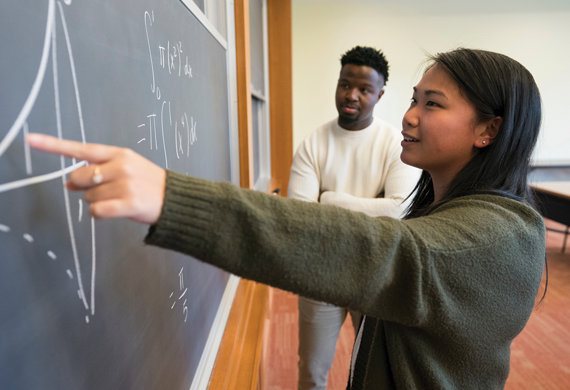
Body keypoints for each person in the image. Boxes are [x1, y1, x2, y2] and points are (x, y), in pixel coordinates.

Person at [27, 48, 546, 389]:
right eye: (414, 100)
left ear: (487, 130)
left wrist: (172, 197)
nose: (410, 115)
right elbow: (325, 218)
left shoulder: (492, 237)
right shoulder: (438, 202)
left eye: (432, 105)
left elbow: (386, 248)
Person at [289, 46, 420, 390]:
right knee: (312, 373)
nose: (352, 95)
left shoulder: (395, 144)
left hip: (376, 275)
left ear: (380, 94)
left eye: (364, 89)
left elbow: (398, 209)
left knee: (373, 375)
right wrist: (371, 207)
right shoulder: (313, 144)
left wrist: (329, 199)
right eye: (345, 84)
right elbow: (299, 218)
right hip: (321, 274)